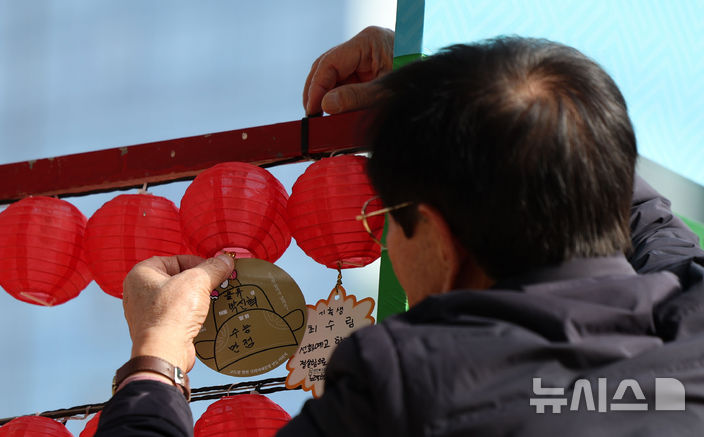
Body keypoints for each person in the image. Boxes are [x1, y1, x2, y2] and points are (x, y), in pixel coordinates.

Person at [95, 27, 704, 436]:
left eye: (383, 216)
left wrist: (157, 357)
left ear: (438, 239)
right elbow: (618, 196)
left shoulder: (401, 391)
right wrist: (449, 93)